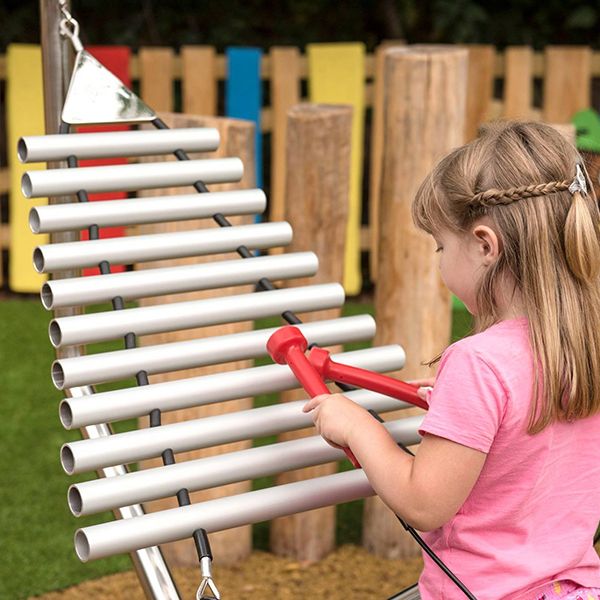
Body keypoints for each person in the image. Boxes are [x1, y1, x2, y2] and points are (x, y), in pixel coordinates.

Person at [303, 121, 600, 600]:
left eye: (441, 245)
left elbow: (424, 503)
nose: (440, 261)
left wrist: (357, 426)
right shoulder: (587, 347)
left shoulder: (479, 363)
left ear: (485, 246)